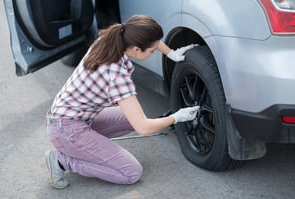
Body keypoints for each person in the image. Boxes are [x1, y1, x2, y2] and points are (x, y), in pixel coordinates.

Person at [45, 14, 199, 189]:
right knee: (131, 172)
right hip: (66, 130)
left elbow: (151, 39)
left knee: (129, 117)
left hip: (70, 118)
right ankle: (63, 161)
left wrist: (171, 53)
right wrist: (177, 117)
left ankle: (87, 148)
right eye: (152, 51)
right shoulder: (116, 76)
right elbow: (143, 128)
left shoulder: (111, 39)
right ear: (135, 50)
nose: (154, 51)